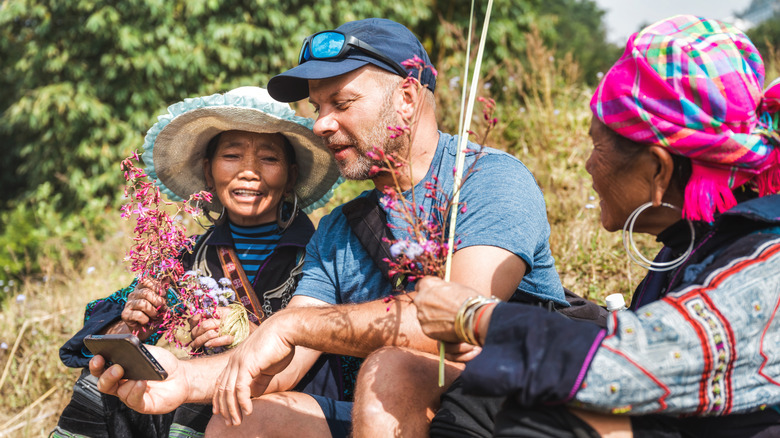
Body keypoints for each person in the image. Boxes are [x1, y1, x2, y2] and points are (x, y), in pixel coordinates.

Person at [87, 17, 568, 438]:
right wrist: (182, 379)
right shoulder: (340, 229)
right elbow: (285, 364)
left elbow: (459, 321)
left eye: (341, 101)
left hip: (495, 410)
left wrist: (291, 323)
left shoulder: (488, 179)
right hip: (370, 414)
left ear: (406, 97)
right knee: (248, 420)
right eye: (317, 108)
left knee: (391, 370)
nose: (320, 124)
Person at [408, 15, 780, 437]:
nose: (587, 164)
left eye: (597, 145)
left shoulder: (765, 263)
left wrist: (478, 317)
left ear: (658, 169)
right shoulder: (699, 246)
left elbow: (643, 360)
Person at [53, 86, 341, 438]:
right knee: (98, 385)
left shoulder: (321, 253)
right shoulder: (185, 256)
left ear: (290, 177)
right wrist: (130, 328)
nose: (249, 172)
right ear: (208, 172)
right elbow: (99, 325)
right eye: (232, 156)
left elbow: (331, 339)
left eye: (269, 159)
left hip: (285, 405)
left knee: (203, 396)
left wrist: (250, 339)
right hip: (201, 394)